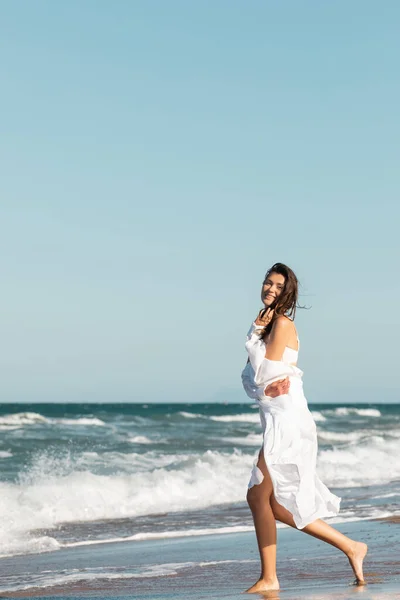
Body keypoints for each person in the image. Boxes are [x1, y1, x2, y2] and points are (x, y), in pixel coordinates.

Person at [241, 262, 367, 593]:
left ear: (288, 292)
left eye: (278, 286)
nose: (270, 289)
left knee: (258, 496)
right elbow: (251, 383)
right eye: (268, 283)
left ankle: (270, 577)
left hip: (288, 420)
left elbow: (260, 375)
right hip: (278, 417)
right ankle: (352, 547)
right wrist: (256, 339)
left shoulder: (281, 324)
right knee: (274, 505)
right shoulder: (268, 327)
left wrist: (254, 338)